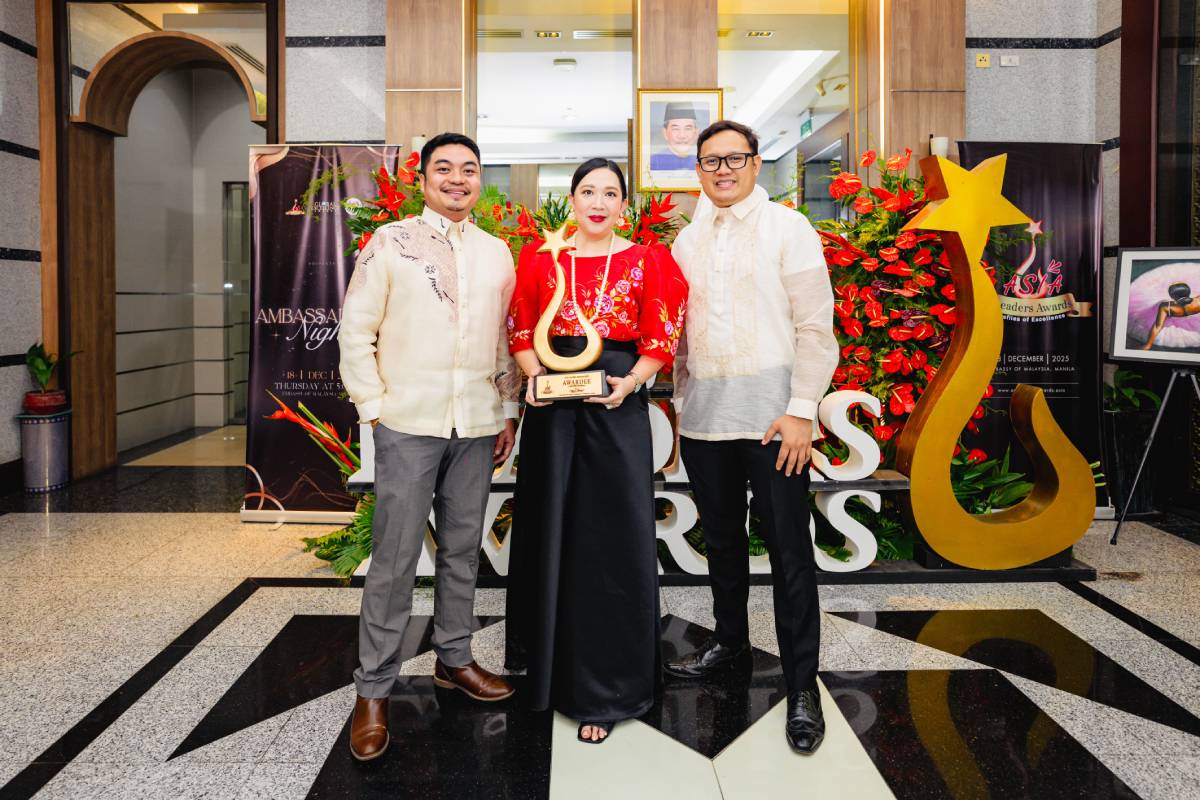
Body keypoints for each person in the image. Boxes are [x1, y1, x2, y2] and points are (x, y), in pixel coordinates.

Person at [338, 132, 521, 762]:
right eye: (444, 168)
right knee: (393, 559)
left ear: (479, 181)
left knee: (463, 551)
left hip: (474, 423)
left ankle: (455, 658)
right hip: (407, 421)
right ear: (423, 180)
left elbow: (504, 341)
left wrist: (507, 409)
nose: (457, 178)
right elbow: (354, 329)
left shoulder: (498, 253)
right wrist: (375, 409)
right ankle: (374, 690)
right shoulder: (390, 242)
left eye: (468, 170)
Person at [666, 120, 838, 754]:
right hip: (709, 419)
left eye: (733, 159)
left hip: (776, 424)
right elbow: (680, 337)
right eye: (710, 162)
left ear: (756, 163)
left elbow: (816, 328)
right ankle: (730, 645)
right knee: (722, 544)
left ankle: (801, 686)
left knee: (792, 555)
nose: (722, 170)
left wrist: (801, 410)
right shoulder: (686, 241)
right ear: (699, 171)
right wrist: (684, 405)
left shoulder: (788, 229)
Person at [504, 158, 688, 743]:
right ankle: (545, 666)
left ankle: (606, 686)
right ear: (572, 199)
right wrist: (533, 378)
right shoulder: (542, 258)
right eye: (588, 191)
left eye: (611, 193)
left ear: (625, 203)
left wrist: (632, 383)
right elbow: (519, 325)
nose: (599, 202)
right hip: (552, 407)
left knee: (609, 534)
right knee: (551, 523)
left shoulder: (648, 260)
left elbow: (664, 331)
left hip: (617, 401)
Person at [1141, 281, 1200, 350]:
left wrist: (1148, 345)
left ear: (1172, 296)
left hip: (1174, 320)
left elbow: (1158, 326)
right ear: (1189, 292)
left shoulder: (1166, 306)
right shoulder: (1198, 301)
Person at [649, 102, 700, 171]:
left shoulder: (703, 162)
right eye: (675, 129)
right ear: (665, 133)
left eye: (688, 128)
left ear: (696, 133)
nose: (682, 135)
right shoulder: (652, 163)